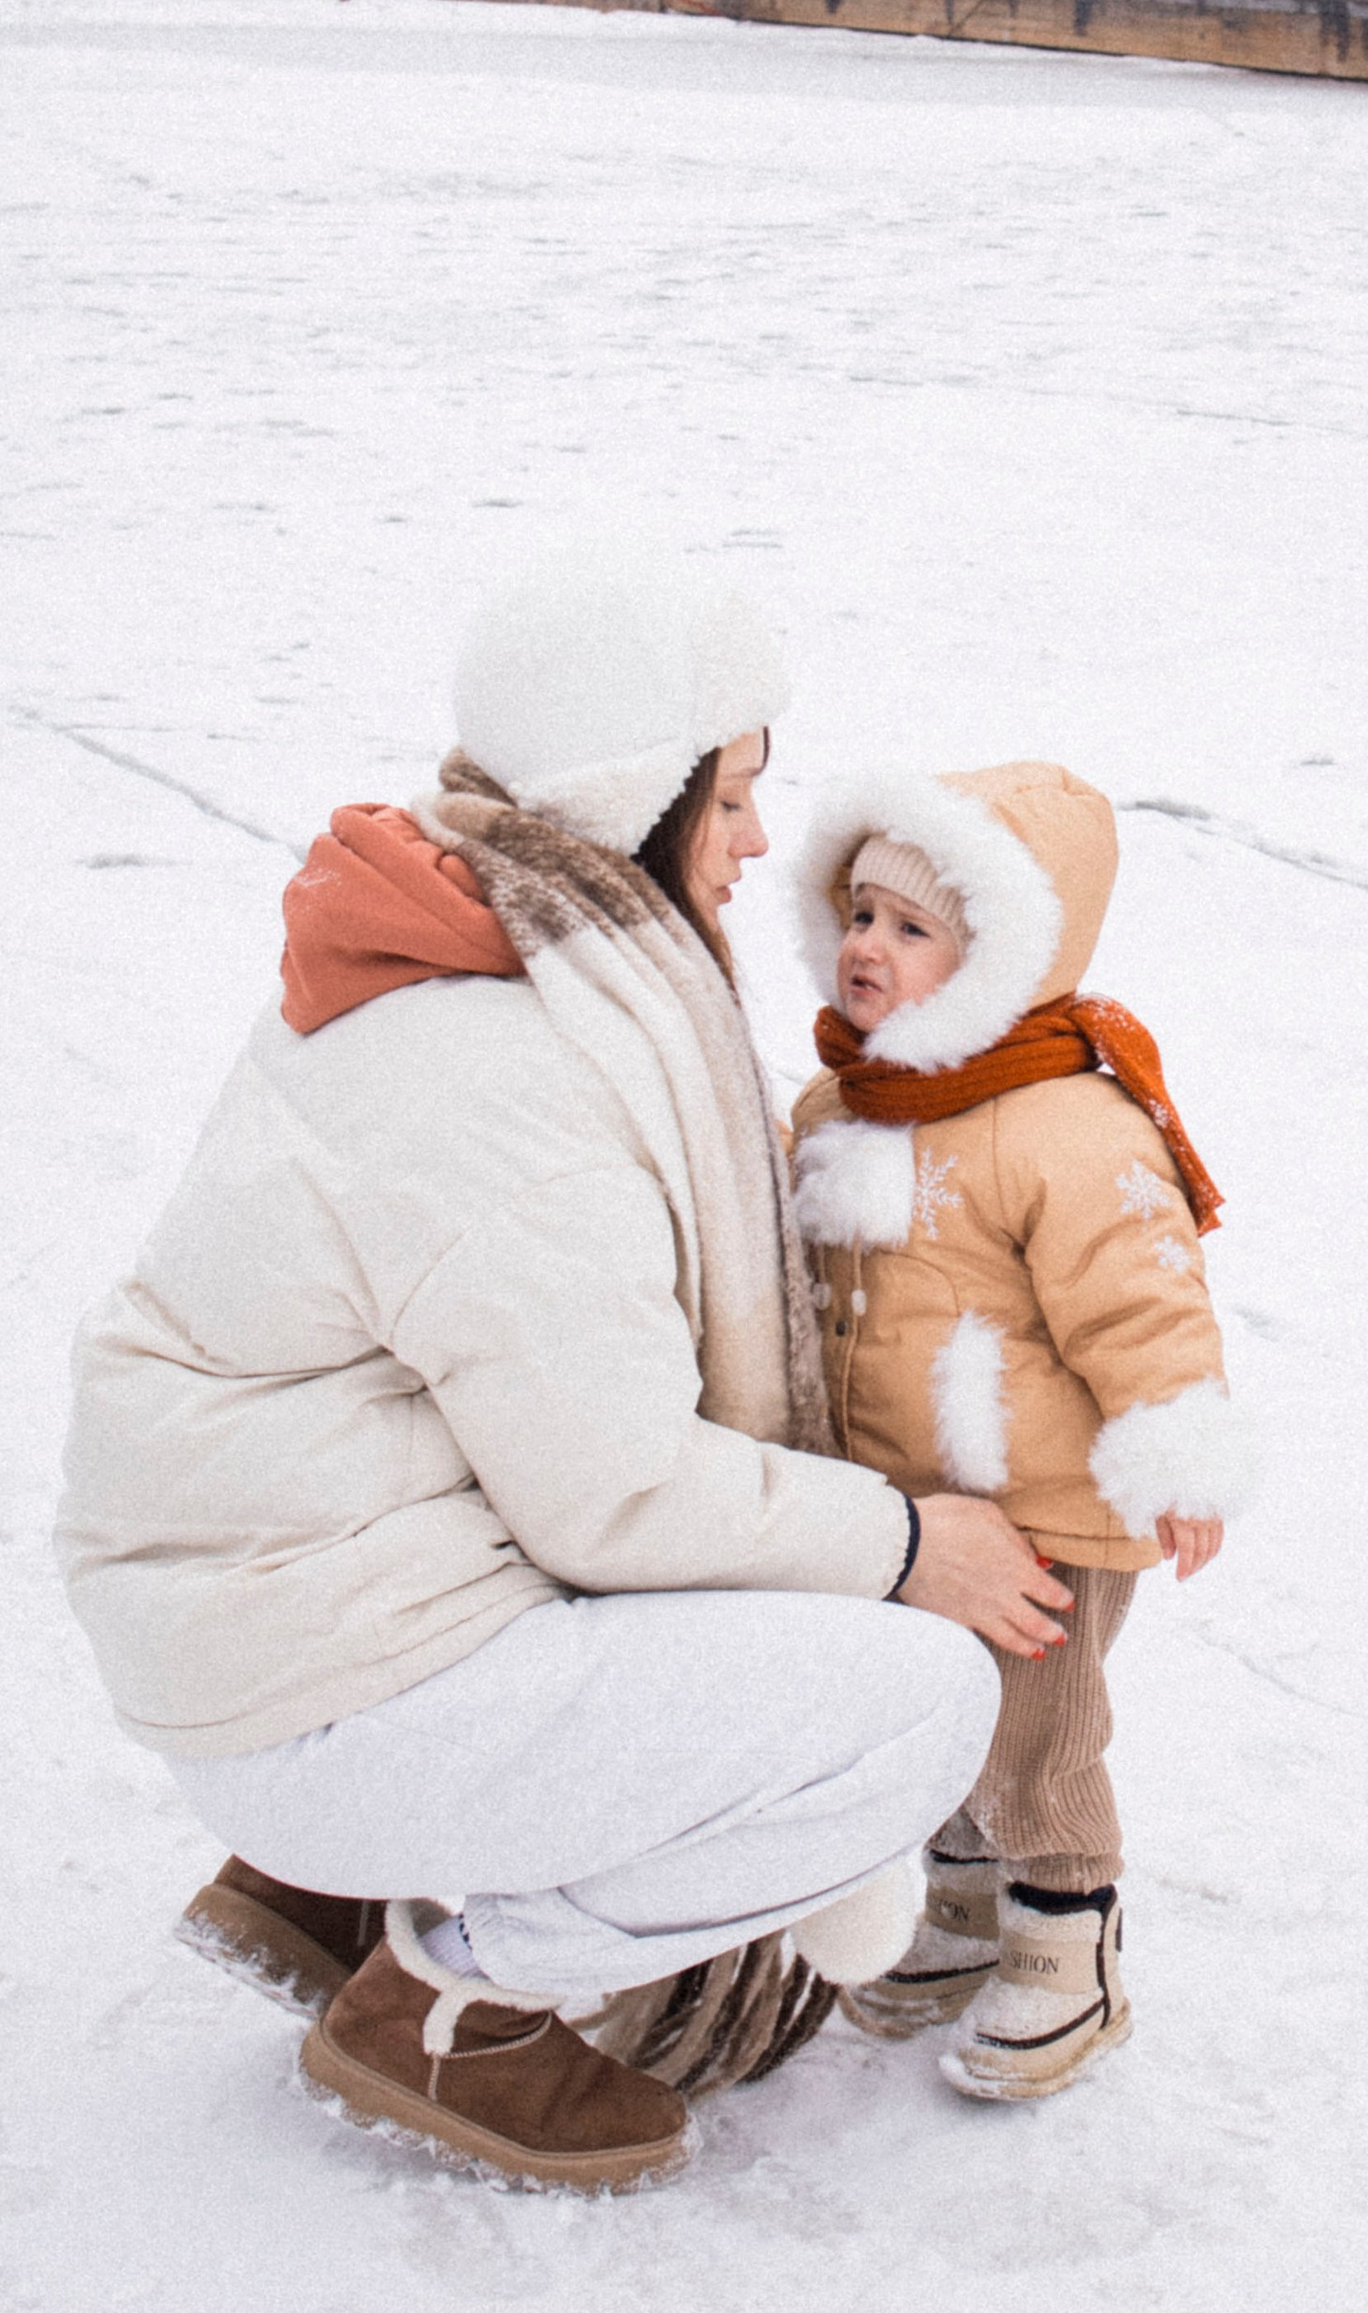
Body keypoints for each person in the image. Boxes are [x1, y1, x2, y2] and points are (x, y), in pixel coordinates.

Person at [57, 538, 1068, 2191]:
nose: (758, 844)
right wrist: (902, 1543)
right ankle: (449, 1998)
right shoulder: (511, 1057)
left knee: (761, 1596)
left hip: (267, 1623)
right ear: (636, 787)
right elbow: (614, 1496)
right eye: (733, 795)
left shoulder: (471, 943)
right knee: (917, 1701)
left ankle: (329, 1885)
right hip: (306, 1687)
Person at [787, 763, 1258, 2098]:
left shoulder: (1065, 1119)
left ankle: (1067, 1935)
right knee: (929, 1719)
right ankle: (961, 1902)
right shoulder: (841, 1102)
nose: (868, 946)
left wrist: (1178, 1451)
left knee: (1036, 1736)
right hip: (906, 1511)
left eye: (913, 928)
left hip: (1044, 1503)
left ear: (1001, 958)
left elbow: (1144, 1300)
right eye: (860, 913)